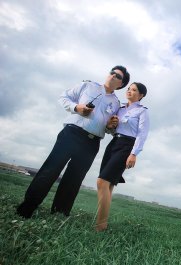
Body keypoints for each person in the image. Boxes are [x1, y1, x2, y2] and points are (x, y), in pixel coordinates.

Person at [16, 66, 130, 218]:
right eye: (112, 73)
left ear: (121, 84)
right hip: (71, 134)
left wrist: (110, 127)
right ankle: (27, 208)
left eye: (118, 76)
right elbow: (63, 97)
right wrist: (77, 107)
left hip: (91, 142)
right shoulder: (88, 86)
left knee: (74, 179)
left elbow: (110, 128)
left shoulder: (116, 104)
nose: (113, 76)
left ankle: (59, 214)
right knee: (51, 170)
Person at [95, 82, 149, 231]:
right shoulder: (120, 109)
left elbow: (142, 134)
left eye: (134, 90)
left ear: (141, 95)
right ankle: (102, 224)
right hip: (114, 143)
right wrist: (111, 126)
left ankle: (100, 226)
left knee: (102, 182)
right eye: (128, 89)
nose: (129, 91)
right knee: (109, 185)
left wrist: (134, 154)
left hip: (127, 147)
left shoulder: (142, 111)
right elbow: (112, 129)